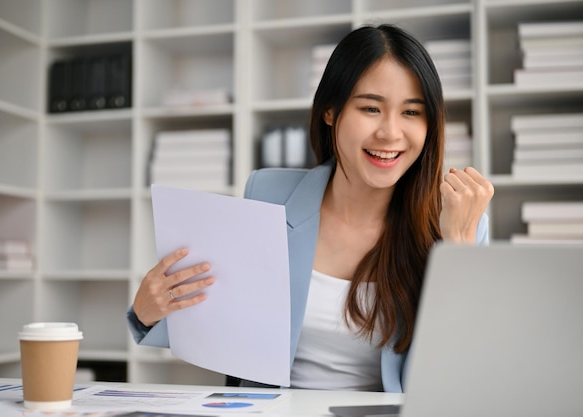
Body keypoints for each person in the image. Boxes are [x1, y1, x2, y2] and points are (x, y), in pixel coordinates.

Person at [127, 23, 494, 393]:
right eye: (371, 108)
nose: (390, 132)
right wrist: (147, 313)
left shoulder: (459, 225)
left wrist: (457, 253)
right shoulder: (268, 194)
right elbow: (219, 322)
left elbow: (457, 381)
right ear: (330, 111)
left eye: (411, 113)